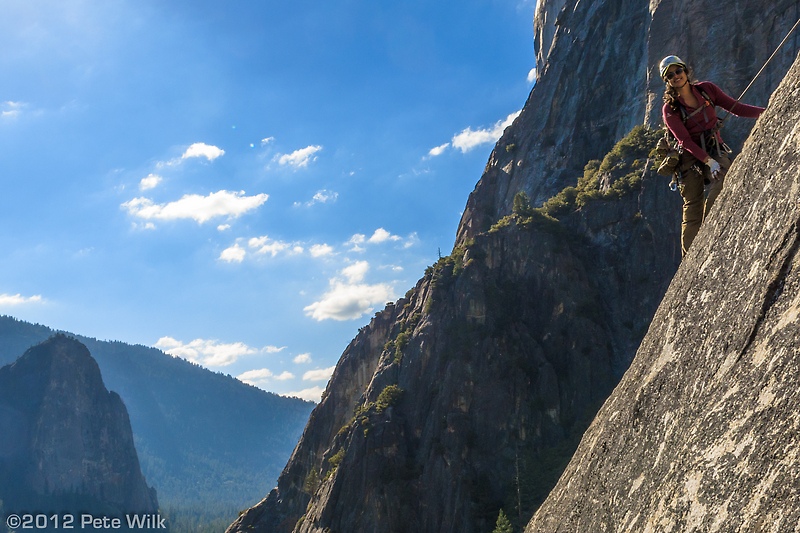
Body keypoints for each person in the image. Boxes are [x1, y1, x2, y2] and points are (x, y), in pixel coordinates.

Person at [660, 55, 765, 256]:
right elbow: (685, 141)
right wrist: (709, 162)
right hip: (690, 157)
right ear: (667, 81)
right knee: (693, 208)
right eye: (670, 75)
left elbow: (738, 108)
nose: (676, 76)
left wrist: (768, 111)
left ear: (685, 71)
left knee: (723, 180)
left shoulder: (707, 90)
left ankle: (710, 230)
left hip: (713, 147)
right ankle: (690, 260)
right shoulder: (670, 109)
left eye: (678, 71)